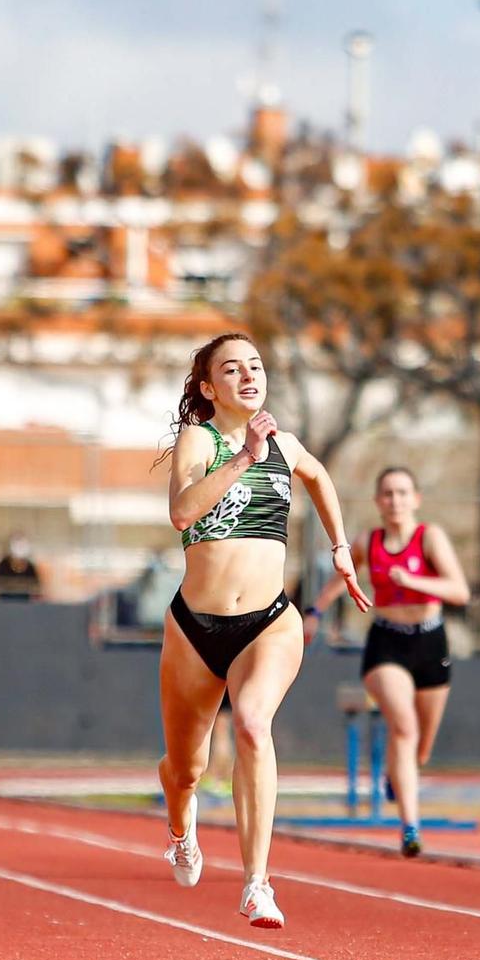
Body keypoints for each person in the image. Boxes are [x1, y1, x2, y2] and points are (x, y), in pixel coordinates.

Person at [155, 332, 367, 928]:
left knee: (251, 724)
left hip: (270, 621)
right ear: (208, 387)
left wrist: (341, 549)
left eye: (255, 365)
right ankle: (180, 826)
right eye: (231, 368)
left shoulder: (288, 445)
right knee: (185, 769)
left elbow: (321, 480)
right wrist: (245, 455)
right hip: (195, 628)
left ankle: (257, 883)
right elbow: (181, 512)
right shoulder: (199, 439)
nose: (248, 374)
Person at [306, 465, 471, 857]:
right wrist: (314, 612)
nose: (395, 500)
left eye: (402, 493)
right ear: (378, 501)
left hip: (430, 641)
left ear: (415, 499)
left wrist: (413, 582)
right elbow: (339, 577)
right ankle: (410, 827)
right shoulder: (368, 541)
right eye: (387, 494)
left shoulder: (429, 538)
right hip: (386, 644)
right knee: (404, 726)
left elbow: (459, 591)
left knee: (421, 749)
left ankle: (402, 776)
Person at [0, 534, 43, 601]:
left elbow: (36, 588)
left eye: (22, 546)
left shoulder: (30, 567)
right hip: (5, 601)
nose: (20, 548)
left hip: (25, 602)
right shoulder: (3, 565)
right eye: (18, 545)